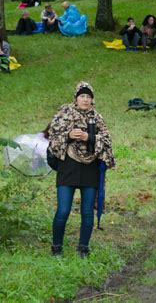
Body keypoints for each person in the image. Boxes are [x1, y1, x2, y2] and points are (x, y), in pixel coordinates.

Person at [47, 81, 115, 258]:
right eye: (82, 96)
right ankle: (56, 248)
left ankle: (83, 248)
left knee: (86, 211)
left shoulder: (97, 118)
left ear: (92, 100)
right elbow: (52, 140)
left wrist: (89, 137)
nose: (85, 100)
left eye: (88, 96)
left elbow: (107, 142)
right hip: (68, 168)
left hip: (90, 169)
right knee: (63, 210)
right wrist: (68, 135)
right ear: (76, 98)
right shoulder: (63, 114)